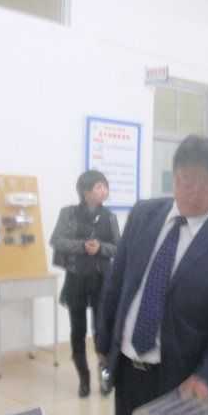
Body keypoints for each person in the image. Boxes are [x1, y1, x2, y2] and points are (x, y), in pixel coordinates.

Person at [96, 135, 208, 415]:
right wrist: (103, 342)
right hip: (127, 371)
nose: (193, 192)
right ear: (174, 177)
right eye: (185, 180)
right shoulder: (144, 214)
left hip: (180, 382)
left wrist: (206, 376)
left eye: (205, 185)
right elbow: (117, 281)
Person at [51, 170, 119, 398]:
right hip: (76, 279)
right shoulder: (68, 213)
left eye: (105, 186)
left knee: (102, 331)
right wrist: (82, 246)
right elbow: (57, 240)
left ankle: (105, 376)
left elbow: (118, 247)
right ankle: (84, 378)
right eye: (99, 187)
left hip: (101, 280)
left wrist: (100, 248)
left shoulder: (109, 217)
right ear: (85, 191)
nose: (104, 190)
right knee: (77, 331)